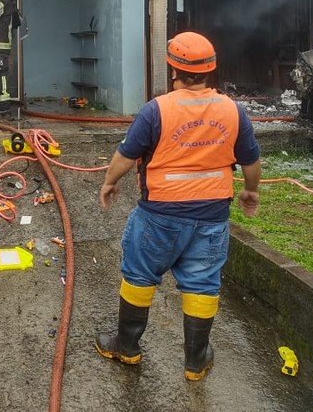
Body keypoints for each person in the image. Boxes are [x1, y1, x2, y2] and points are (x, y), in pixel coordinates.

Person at [95, 31, 261, 381]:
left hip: (159, 216)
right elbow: (251, 160)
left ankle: (127, 347)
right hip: (213, 218)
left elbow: (127, 155)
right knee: (203, 283)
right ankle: (196, 361)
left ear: (174, 70)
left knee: (140, 276)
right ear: (210, 70)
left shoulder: (157, 109)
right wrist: (251, 191)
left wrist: (110, 182)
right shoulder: (233, 111)